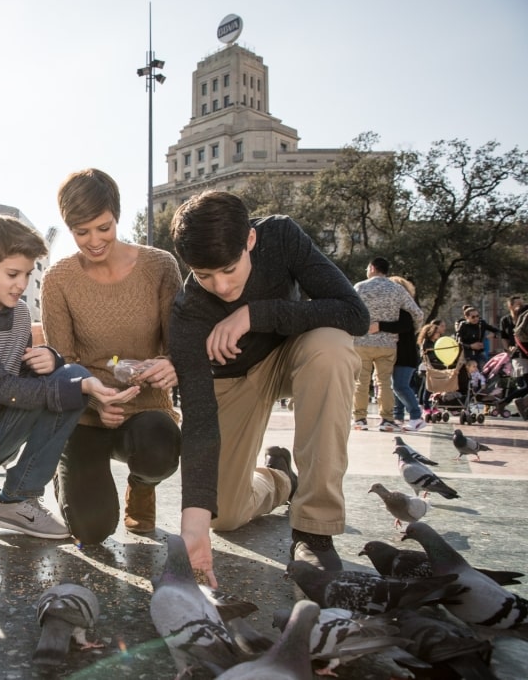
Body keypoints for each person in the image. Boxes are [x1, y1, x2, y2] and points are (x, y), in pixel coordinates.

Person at [168, 191, 369, 585]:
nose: (222, 286)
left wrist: (256, 314)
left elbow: (353, 313)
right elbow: (198, 416)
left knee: (332, 348)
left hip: (297, 353)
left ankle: (315, 528)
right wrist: (194, 527)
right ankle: (280, 479)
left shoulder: (280, 235)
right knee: (222, 514)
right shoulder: (187, 310)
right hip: (233, 377)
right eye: (205, 275)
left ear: (250, 241)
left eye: (229, 269)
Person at [0, 215, 137, 557]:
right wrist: (83, 389)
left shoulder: (18, 315)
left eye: (28, 274)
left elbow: (21, 374)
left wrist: (53, 359)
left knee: (69, 377)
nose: (21, 284)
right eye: (12, 274)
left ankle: (16, 498)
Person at [41, 168, 182, 543]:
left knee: (160, 449)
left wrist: (171, 365)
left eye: (103, 228)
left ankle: (141, 485)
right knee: (92, 530)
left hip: (147, 411)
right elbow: (63, 364)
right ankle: (66, 473)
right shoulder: (58, 280)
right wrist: (95, 402)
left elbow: (179, 346)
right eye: (81, 232)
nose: (94, 241)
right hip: (86, 416)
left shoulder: (160, 266)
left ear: (116, 215)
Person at [351, 258, 423, 432]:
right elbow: (417, 313)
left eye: (368, 267)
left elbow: (350, 310)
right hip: (387, 344)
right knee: (384, 382)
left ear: (373, 268)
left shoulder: (360, 287)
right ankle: (386, 420)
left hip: (362, 342)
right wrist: (415, 331)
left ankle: (360, 419)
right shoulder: (397, 289)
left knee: (361, 381)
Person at [373, 276, 426, 431]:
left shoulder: (405, 311)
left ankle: (416, 416)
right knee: (393, 386)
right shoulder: (394, 310)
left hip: (405, 355)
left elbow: (402, 326)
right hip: (396, 355)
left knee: (400, 386)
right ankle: (398, 416)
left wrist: (379, 326)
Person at [455, 305, 499, 370]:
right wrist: (471, 346)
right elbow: (458, 342)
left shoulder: (481, 324)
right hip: (467, 355)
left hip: (480, 353)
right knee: (470, 374)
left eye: (477, 316)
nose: (476, 318)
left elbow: (497, 331)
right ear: (467, 317)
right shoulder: (463, 325)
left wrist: (491, 336)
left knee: (484, 372)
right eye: (473, 317)